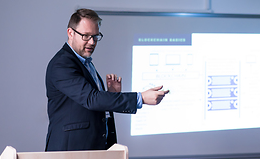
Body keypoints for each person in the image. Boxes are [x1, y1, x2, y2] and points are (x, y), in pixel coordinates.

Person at [45, 8, 168, 151]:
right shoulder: (62, 64)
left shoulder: (85, 62)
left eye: (96, 36)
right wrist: (140, 98)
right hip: (70, 153)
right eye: (86, 36)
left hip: (93, 152)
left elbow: (93, 105)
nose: (92, 42)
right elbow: (91, 99)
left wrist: (112, 94)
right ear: (70, 33)